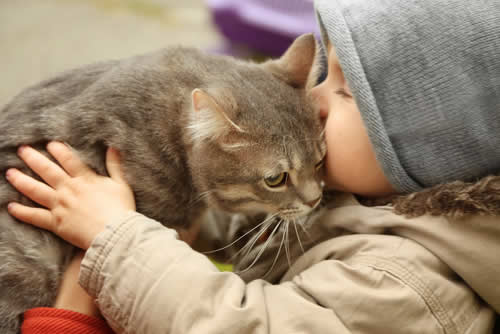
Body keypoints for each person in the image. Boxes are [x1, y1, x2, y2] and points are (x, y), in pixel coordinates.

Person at [6, 0, 500, 332]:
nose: (314, 98)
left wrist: (117, 238)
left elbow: (239, 323)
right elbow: (267, 231)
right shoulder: (376, 192)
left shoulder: (403, 281)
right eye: (324, 74)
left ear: (423, 145)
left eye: (344, 91)